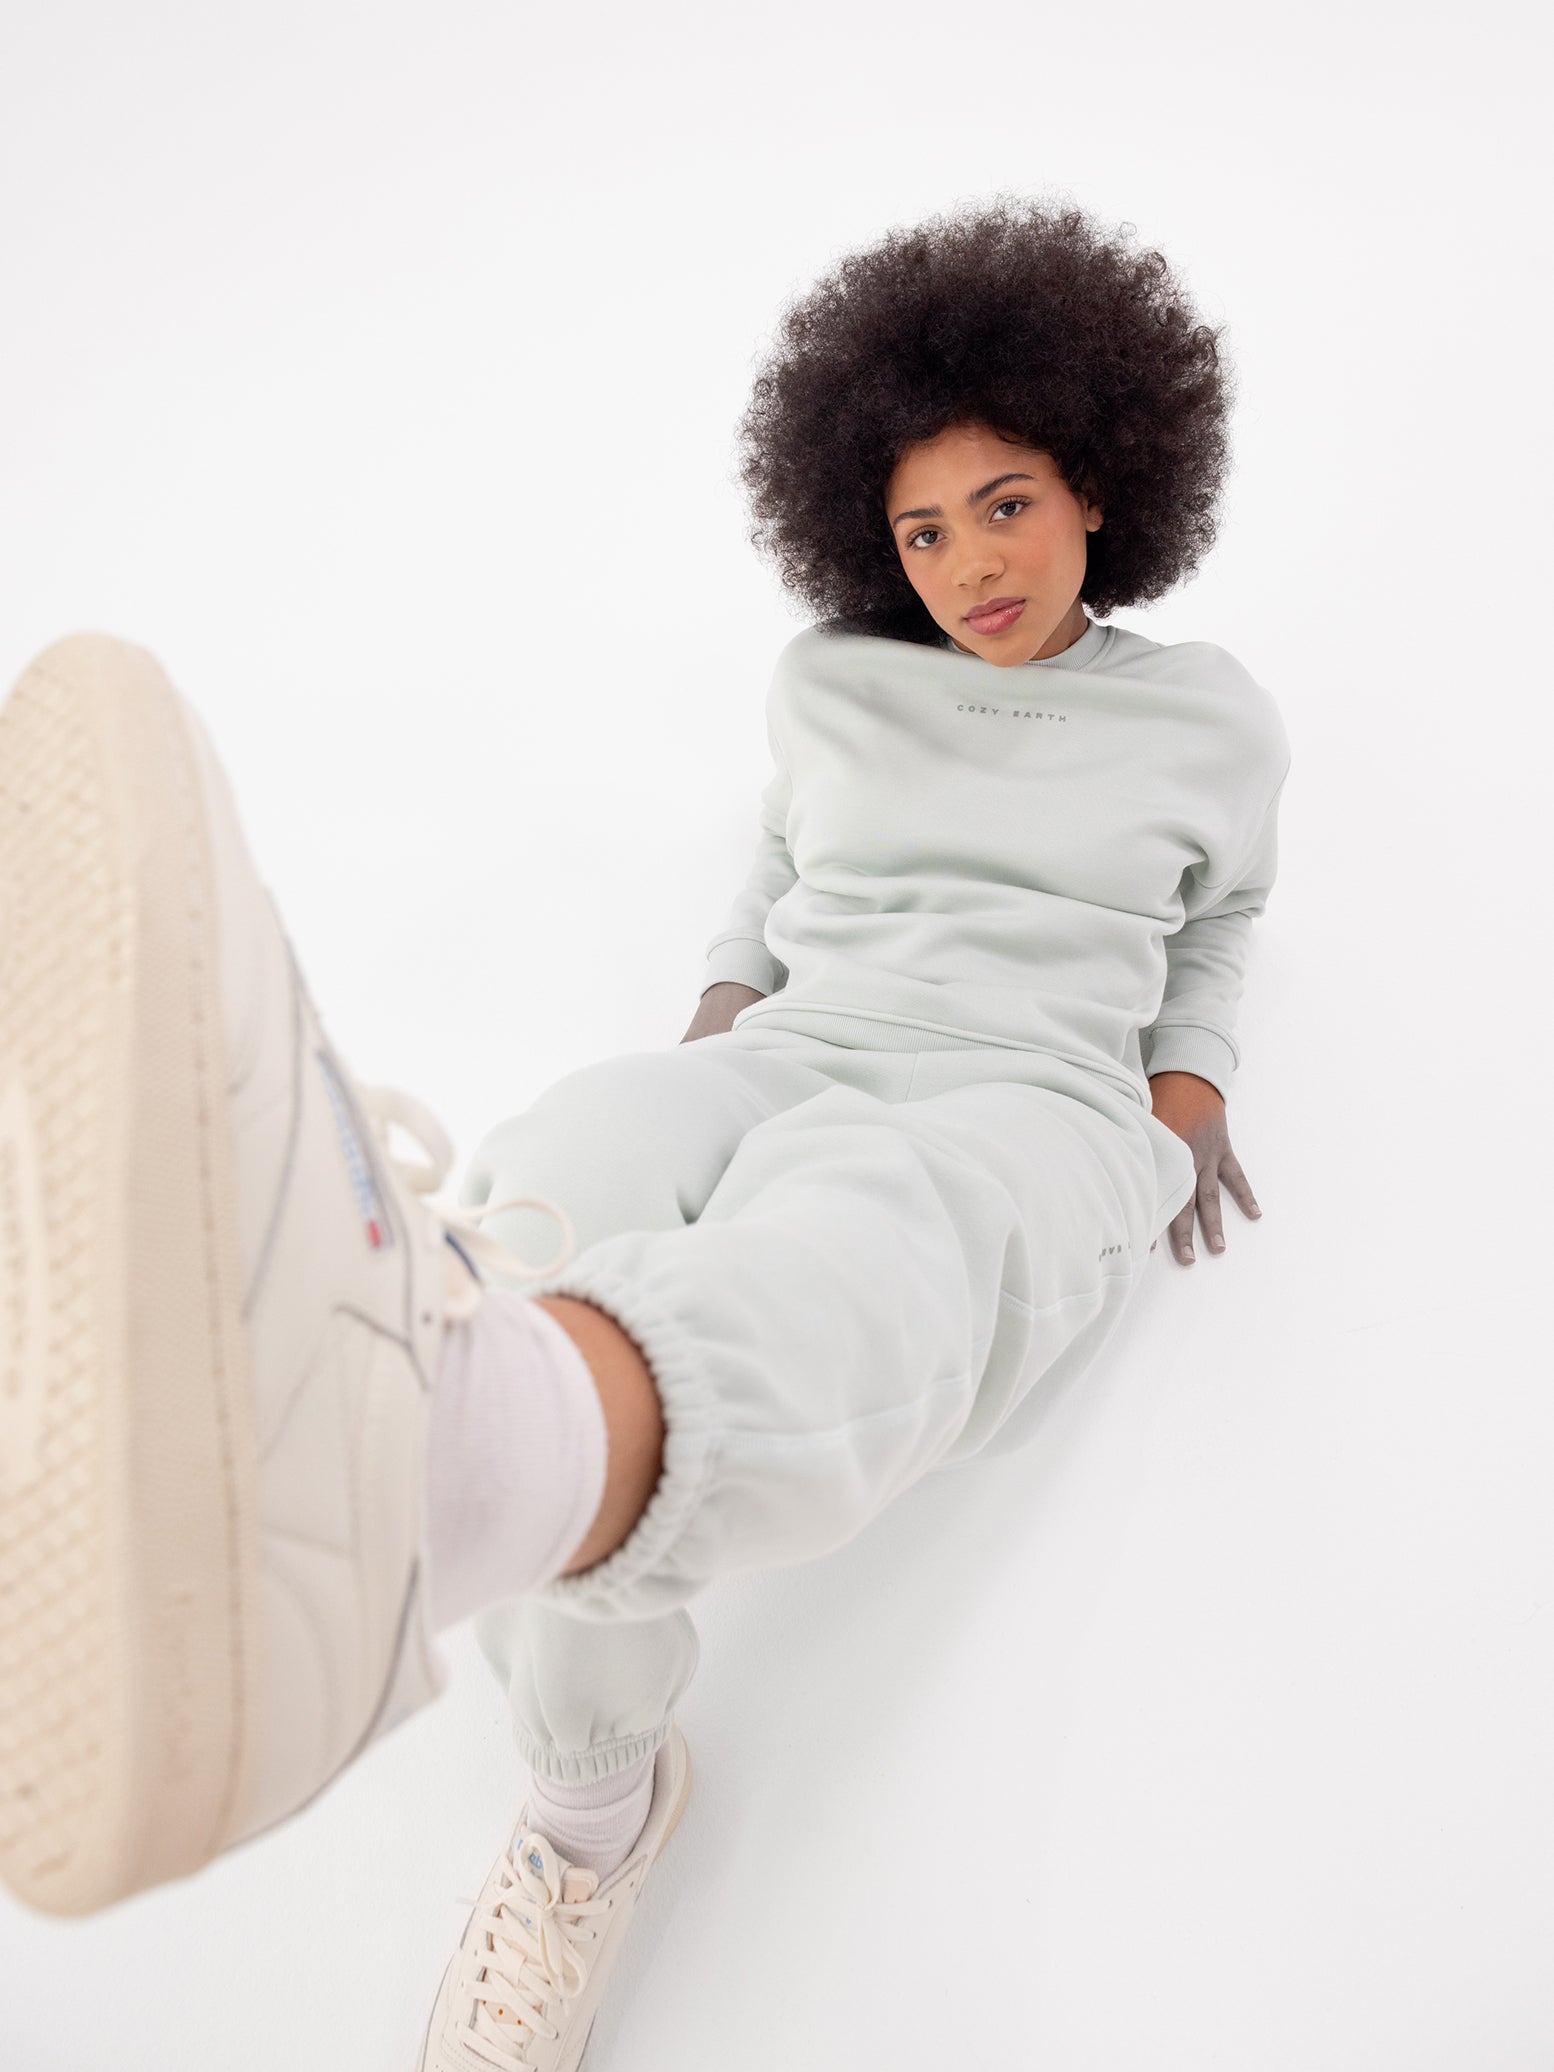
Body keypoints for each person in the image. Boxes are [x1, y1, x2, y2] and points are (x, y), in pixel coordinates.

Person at [0, 193, 1291, 2066]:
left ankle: (511, 1696)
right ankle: (370, 1412)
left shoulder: (1212, 719)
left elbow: (1223, 915)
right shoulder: (826, 683)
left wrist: (1191, 1088)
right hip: (800, 1035)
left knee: (862, 1240)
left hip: (1030, 1094)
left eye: (1003, 504)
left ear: (1100, 480)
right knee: (568, 1168)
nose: (962, 565)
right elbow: (775, 858)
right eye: (917, 528)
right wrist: (717, 1017)